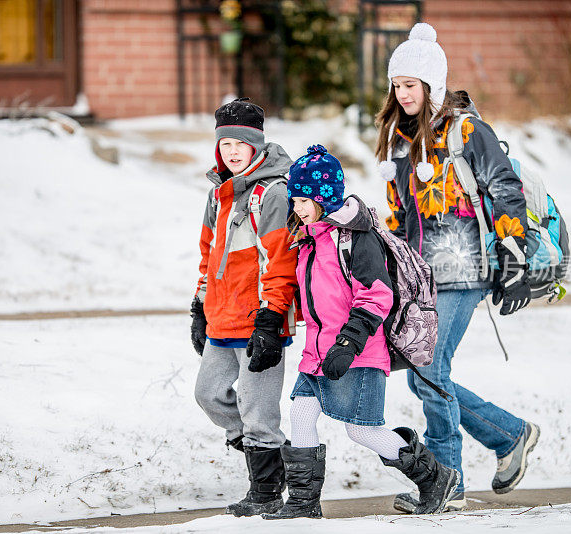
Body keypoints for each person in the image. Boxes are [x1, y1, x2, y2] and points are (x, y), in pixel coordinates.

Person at [374, 23, 540, 513]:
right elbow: (400, 216)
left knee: (427, 369)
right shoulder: (399, 142)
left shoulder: (466, 130)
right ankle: (509, 435)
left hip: (466, 269)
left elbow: (504, 186)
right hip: (423, 274)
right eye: (397, 85)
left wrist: (513, 252)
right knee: (424, 373)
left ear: (433, 86)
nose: (403, 94)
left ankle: (447, 481)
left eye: (412, 85)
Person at [262, 145, 460, 520]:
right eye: (295, 200)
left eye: (305, 200)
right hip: (319, 351)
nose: (298, 208)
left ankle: (436, 478)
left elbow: (376, 295)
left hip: (359, 351)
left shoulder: (355, 237)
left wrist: (349, 343)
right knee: (302, 412)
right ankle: (304, 504)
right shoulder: (310, 236)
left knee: (363, 432)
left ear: (325, 197)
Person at [190, 97, 299, 517]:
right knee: (209, 394)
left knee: (259, 411)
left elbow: (280, 261)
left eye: (241, 143)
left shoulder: (273, 193)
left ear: (257, 145)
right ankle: (278, 457)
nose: (232, 151)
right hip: (221, 315)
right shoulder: (218, 194)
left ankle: (267, 493)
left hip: (259, 320)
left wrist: (271, 320)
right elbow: (208, 255)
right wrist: (199, 306)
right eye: (225, 144)